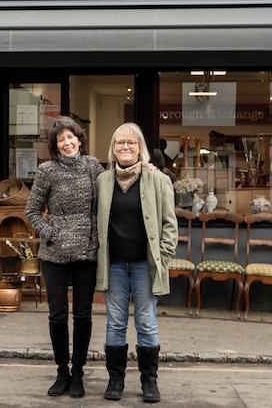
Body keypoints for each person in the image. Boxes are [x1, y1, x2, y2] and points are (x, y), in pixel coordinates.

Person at [95, 123, 178, 403]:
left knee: (146, 322)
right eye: (120, 143)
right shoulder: (103, 181)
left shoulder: (158, 180)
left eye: (132, 143)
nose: (125, 147)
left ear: (141, 147)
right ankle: (115, 379)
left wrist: (163, 256)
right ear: (113, 147)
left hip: (145, 265)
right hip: (115, 264)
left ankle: (149, 381)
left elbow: (170, 224)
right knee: (115, 324)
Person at [25, 116, 106, 398]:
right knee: (58, 314)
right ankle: (62, 372)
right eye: (61, 139)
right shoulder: (47, 170)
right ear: (55, 145)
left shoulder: (93, 166)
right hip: (54, 253)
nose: (67, 143)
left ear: (79, 139)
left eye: (71, 137)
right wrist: (53, 233)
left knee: (82, 315)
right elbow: (32, 212)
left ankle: (78, 373)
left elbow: (108, 200)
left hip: (87, 252)